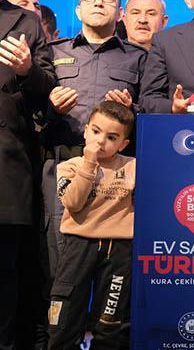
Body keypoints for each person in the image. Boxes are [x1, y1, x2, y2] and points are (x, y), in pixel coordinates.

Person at [42, 0, 146, 284]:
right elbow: (34, 115)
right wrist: (51, 108)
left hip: (118, 175)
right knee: (60, 266)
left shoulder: (139, 57)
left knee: (113, 270)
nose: (98, 1)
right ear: (77, 10)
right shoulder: (54, 52)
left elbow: (151, 113)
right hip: (66, 166)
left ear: (120, 12)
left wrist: (131, 111)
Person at [0, 0, 56, 350]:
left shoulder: (25, 22)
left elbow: (48, 87)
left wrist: (27, 71)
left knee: (5, 280)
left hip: (7, 169)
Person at [47, 101, 135, 349]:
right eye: (96, 132)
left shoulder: (132, 166)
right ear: (85, 130)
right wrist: (89, 163)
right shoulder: (69, 166)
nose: (101, 141)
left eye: (112, 137)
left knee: (110, 324)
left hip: (119, 249)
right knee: (63, 319)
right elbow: (73, 203)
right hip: (78, 245)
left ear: (123, 144)